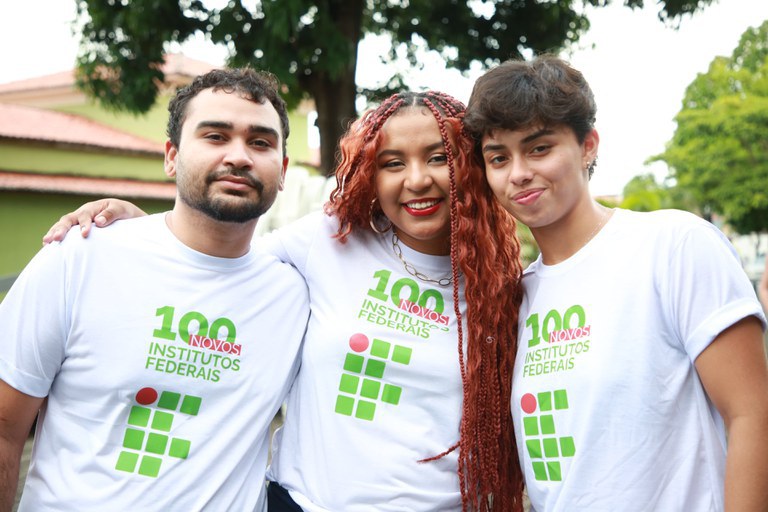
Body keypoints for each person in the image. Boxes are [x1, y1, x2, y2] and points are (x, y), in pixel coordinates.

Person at [40, 91, 526, 511]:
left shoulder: (504, 286)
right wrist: (144, 228)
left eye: (439, 157)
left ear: (471, 163)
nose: (417, 180)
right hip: (299, 505)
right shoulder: (331, 238)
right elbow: (219, 262)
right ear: (368, 175)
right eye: (392, 163)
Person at [462, 55, 768, 511]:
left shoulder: (674, 247)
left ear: (588, 146)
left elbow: (753, 415)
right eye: (499, 158)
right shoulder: (517, 298)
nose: (519, 172)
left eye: (539, 148)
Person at [0, 68, 310, 511]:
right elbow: (5, 428)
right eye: (216, 136)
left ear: (281, 171)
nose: (239, 156)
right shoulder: (81, 256)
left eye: (260, 142)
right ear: (172, 156)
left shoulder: (296, 294)